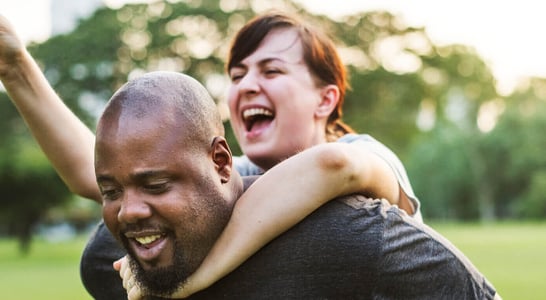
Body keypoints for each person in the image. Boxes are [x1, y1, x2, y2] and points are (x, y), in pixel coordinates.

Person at [1, 11, 418, 298]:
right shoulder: (241, 175)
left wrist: (182, 284)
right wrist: (15, 67)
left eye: (271, 71)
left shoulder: (363, 153)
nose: (247, 85)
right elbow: (101, 175)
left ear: (326, 99)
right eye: (237, 75)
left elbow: (334, 167)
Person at [98, 70, 498, 299]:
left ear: (221, 163)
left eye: (156, 184)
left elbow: (334, 163)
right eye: (111, 192)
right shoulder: (115, 261)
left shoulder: (347, 233)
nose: (129, 210)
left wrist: (191, 283)